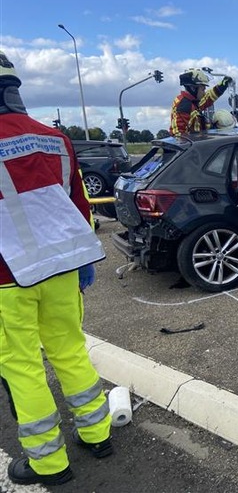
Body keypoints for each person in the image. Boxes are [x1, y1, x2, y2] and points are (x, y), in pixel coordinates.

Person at [0, 51, 112, 486]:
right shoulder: (55, 139)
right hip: (63, 269)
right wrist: (84, 263)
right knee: (69, 350)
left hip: (8, 279)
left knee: (21, 366)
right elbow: (77, 204)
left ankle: (49, 464)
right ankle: (97, 435)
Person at [170, 68, 232, 136]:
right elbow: (179, 136)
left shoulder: (192, 101)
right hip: (194, 145)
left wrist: (223, 85)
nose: (204, 93)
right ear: (193, 88)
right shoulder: (184, 106)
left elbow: (209, 97)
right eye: (202, 89)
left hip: (199, 141)